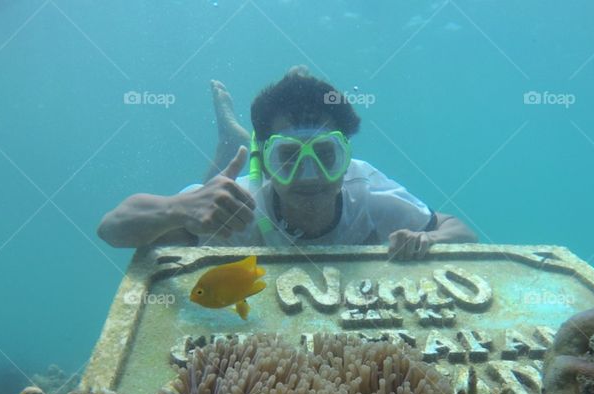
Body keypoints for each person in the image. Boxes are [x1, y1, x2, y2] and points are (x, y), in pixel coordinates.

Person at [97, 68, 476, 259]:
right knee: (215, 189)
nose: (309, 177)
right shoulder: (240, 204)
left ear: (346, 160)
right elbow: (113, 230)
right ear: (266, 158)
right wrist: (178, 208)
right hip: (248, 176)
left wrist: (430, 239)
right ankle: (232, 143)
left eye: (326, 155)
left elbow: (461, 231)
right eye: (288, 157)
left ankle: (239, 140)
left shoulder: (371, 194)